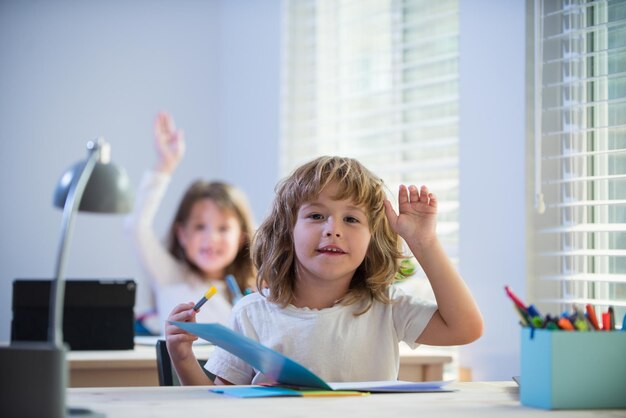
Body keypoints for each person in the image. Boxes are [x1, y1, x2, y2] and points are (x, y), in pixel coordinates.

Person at [166, 156, 483, 385]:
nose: (333, 229)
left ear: (372, 239)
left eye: (351, 219)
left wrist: (423, 241)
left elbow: (465, 328)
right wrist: (182, 358)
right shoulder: (251, 314)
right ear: (287, 232)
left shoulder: (387, 308)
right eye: (316, 216)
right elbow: (219, 409)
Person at [125, 111, 256, 333]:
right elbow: (136, 227)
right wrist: (165, 165)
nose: (211, 238)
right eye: (199, 227)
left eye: (223, 228)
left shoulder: (253, 292)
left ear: (242, 236)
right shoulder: (171, 278)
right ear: (182, 235)